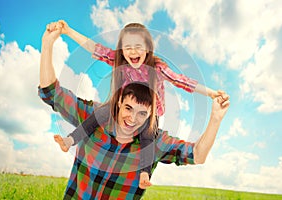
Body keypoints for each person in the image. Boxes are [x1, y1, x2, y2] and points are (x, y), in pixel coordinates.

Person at [39, 23, 230, 199]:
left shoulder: (158, 68)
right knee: (98, 116)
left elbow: (182, 81)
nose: (133, 52)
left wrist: (212, 98)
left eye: (139, 46)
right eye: (128, 47)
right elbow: (94, 50)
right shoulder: (118, 63)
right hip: (113, 108)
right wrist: (64, 33)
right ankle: (70, 139)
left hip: (151, 117)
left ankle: (144, 172)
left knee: (148, 139)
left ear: (148, 48)